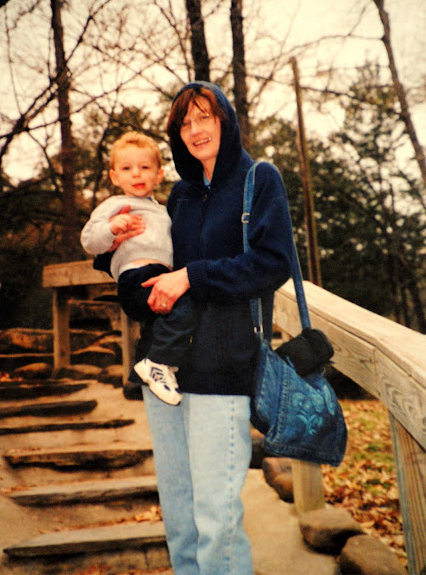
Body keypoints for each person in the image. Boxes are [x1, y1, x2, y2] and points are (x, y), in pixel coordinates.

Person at [137, 81, 294, 575]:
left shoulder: (258, 180)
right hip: (165, 370)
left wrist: (193, 276)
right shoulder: (179, 195)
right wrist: (118, 259)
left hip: (223, 367)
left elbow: (273, 263)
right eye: (185, 123)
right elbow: (157, 266)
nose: (195, 129)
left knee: (216, 519)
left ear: (226, 121)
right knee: (180, 520)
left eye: (205, 117)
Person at [80, 131, 199, 406]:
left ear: (159, 175)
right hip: (136, 277)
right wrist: (111, 229)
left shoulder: (164, 212)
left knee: (158, 324)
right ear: (114, 177)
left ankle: (138, 378)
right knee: (186, 304)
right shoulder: (114, 205)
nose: (136, 174)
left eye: (145, 167)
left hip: (161, 276)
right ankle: (158, 362)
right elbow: (89, 240)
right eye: (127, 168)